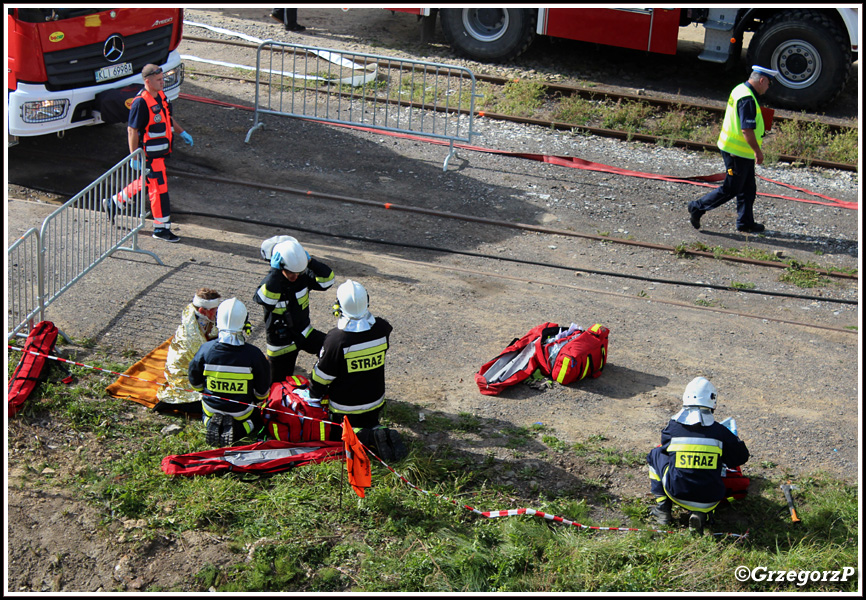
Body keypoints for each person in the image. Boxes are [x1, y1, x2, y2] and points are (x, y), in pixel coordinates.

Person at [309, 279, 407, 461]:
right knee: (369, 422)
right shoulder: (382, 328)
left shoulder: (336, 340)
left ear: (339, 306)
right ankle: (377, 431)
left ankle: (367, 437)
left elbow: (322, 377)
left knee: (337, 434)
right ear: (367, 302)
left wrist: (313, 395)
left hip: (345, 407)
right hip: (375, 402)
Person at [646, 377, 750, 534]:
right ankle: (701, 513)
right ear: (713, 401)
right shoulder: (721, 432)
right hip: (712, 498)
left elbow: (665, 448)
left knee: (654, 454)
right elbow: (741, 457)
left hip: (677, 494)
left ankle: (663, 509)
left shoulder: (673, 428)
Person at [106, 63, 194, 243]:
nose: (163, 83)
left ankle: (114, 203)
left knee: (147, 182)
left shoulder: (160, 96)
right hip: (150, 155)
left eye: (163, 79)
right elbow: (132, 130)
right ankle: (161, 229)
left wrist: (181, 131)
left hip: (160, 152)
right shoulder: (140, 103)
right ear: (148, 81)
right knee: (159, 189)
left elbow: (167, 118)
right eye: (159, 80)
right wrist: (135, 156)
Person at [687, 65, 777, 234]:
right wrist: (758, 151)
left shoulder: (740, 89)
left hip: (740, 151)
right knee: (731, 188)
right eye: (769, 83)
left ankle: (745, 222)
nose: (768, 87)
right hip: (737, 152)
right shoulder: (748, 99)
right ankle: (697, 207)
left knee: (748, 187)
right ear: (762, 80)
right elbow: (746, 130)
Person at [188, 298, 271, 447]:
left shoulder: (205, 350)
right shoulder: (254, 355)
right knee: (254, 420)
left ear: (218, 320)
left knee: (205, 414)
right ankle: (239, 429)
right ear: (244, 323)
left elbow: (195, 380)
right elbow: (262, 392)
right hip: (241, 410)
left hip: (211, 406)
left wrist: (205, 391)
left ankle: (209, 423)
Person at [254, 236, 335, 384]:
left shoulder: (302, 277)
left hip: (305, 332)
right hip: (281, 343)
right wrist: (274, 273)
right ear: (281, 267)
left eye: (298, 272)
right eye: (291, 272)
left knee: (332, 350)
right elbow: (265, 300)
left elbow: (327, 280)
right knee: (278, 385)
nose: (295, 276)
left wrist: (311, 262)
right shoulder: (272, 282)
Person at [155, 288, 221, 414]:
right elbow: (207, 356)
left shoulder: (199, 315)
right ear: (202, 310)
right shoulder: (192, 336)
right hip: (184, 373)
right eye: (214, 310)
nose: (217, 312)